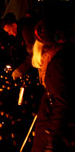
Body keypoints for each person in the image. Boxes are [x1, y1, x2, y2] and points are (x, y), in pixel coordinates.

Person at [30, 16, 74, 151]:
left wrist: (51, 136)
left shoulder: (56, 64)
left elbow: (62, 101)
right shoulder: (61, 57)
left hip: (57, 131)